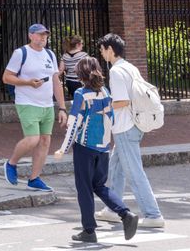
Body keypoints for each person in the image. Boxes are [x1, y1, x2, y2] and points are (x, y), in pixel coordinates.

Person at [54, 56, 140, 243]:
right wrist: (108, 142)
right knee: (99, 186)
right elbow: (112, 120)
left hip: (85, 147)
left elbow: (74, 124)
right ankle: (126, 214)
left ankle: (89, 230)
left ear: (80, 75)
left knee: (84, 188)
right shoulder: (105, 92)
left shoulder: (81, 94)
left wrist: (63, 148)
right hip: (103, 148)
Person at [98, 33, 165, 228]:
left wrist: (103, 108)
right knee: (116, 168)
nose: (102, 54)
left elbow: (122, 101)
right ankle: (112, 208)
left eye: (103, 50)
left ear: (110, 50)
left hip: (125, 127)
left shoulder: (116, 72)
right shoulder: (130, 67)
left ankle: (153, 214)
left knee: (134, 172)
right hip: (133, 125)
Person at [2, 23, 67, 192]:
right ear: (30, 35)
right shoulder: (21, 53)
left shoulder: (50, 54)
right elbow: (6, 77)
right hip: (27, 102)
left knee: (45, 141)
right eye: (39, 35)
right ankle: (11, 163)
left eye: (45, 35)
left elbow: (55, 82)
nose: (43, 38)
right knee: (33, 139)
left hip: (46, 104)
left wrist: (62, 107)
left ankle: (34, 178)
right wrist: (28, 83)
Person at [60, 35, 87, 100]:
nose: (82, 45)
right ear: (78, 45)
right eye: (82, 44)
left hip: (69, 82)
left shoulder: (65, 56)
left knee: (76, 99)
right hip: (80, 82)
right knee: (83, 101)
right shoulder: (83, 55)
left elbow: (61, 70)